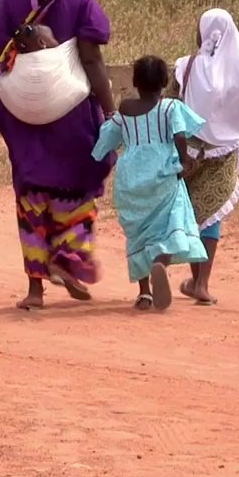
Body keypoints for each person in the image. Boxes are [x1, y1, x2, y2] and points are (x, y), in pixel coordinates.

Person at [0, 0, 117, 310]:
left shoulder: (10, 0)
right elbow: (92, 60)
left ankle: (35, 289)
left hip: (21, 117)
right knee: (77, 186)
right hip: (72, 117)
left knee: (31, 195)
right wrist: (109, 113)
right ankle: (69, 257)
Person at [93, 56, 210, 311]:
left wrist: (96, 154)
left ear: (135, 82)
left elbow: (107, 139)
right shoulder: (170, 108)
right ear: (164, 82)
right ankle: (161, 262)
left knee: (139, 232)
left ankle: (144, 292)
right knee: (170, 223)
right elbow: (180, 136)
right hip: (162, 175)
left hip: (131, 178)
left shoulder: (125, 110)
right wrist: (183, 163)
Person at [167, 8, 239, 306]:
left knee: (186, 209)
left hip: (188, 149)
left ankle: (162, 263)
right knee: (212, 211)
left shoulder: (186, 66)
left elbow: (170, 103)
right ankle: (201, 283)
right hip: (225, 150)